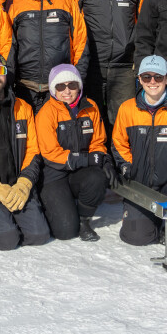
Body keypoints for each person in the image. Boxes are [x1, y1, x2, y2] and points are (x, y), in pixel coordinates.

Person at [111, 56, 167, 245]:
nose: (152, 82)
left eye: (158, 77)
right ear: (139, 79)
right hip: (141, 181)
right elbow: (118, 142)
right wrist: (129, 166)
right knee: (136, 237)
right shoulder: (127, 109)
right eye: (146, 77)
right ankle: (149, 219)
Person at [0, 51, 51, 250]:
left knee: (39, 235)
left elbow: (33, 149)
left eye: (0, 70)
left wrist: (25, 181)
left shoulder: (22, 107)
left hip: (17, 186)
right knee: (6, 239)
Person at [68, 0, 146, 129]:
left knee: (123, 121)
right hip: (92, 65)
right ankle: (99, 158)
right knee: (92, 119)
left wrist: (140, 58)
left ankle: (121, 158)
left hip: (124, 67)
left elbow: (145, 24)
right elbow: (72, 26)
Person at [36, 64, 112, 242]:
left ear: (79, 86)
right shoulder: (46, 113)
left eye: (72, 85)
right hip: (54, 173)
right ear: (54, 89)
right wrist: (87, 159)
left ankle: (84, 219)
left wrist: (102, 158)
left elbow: (98, 142)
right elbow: (50, 153)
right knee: (66, 231)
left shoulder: (91, 107)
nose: (67, 91)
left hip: (80, 171)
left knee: (98, 177)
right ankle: (56, 205)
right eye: (61, 86)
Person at [8, 0, 89, 111]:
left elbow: (82, 43)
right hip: (26, 86)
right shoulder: (17, 9)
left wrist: (77, 78)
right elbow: (9, 46)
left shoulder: (66, 4)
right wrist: (10, 80)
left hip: (60, 86)